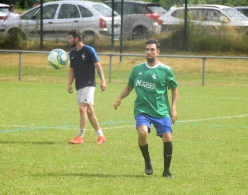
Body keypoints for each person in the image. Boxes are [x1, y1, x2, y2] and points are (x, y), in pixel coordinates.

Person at [114, 39, 178, 178]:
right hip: (142, 109)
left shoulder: (166, 70)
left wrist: (173, 108)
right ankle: (147, 160)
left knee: (167, 137)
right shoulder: (137, 69)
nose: (149, 52)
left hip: (161, 110)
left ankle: (166, 171)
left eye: (152, 50)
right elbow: (129, 87)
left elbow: (174, 89)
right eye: (147, 49)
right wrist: (119, 98)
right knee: (143, 132)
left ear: (158, 52)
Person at [67, 29, 107, 145]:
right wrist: (69, 83)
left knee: (82, 108)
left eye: (70, 38)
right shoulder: (73, 53)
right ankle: (101, 136)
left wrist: (103, 81)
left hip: (89, 84)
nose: (68, 40)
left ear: (76, 39)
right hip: (79, 85)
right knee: (89, 111)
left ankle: (80, 136)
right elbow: (72, 71)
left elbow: (98, 67)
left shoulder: (89, 50)